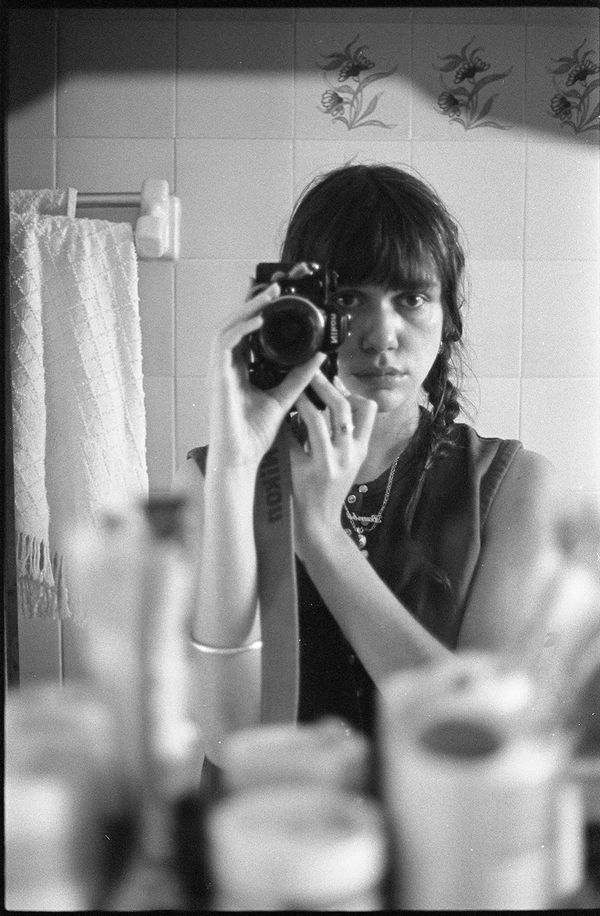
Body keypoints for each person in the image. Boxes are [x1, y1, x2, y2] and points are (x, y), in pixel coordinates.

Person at [172, 163, 554, 759]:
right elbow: (229, 740)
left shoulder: (512, 486)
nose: (382, 335)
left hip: (438, 816)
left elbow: (479, 730)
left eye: (412, 298)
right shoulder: (212, 477)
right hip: (271, 813)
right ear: (301, 311)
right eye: (349, 299)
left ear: (449, 317)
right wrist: (233, 468)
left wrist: (321, 537)